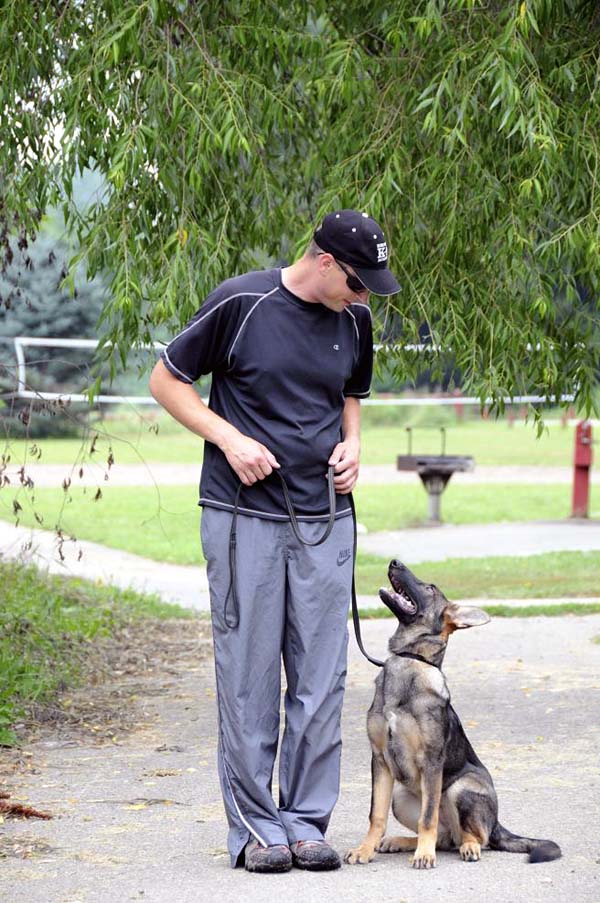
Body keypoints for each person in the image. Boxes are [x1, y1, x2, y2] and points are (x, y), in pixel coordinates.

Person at [149, 209, 400, 874]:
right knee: (250, 675)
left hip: (324, 516)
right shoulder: (242, 302)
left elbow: (351, 394)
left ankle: (305, 821)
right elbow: (165, 381)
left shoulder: (355, 320)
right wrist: (228, 439)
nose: (364, 294)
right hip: (241, 517)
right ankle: (257, 828)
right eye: (356, 281)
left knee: (321, 677)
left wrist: (353, 446)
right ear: (322, 262)